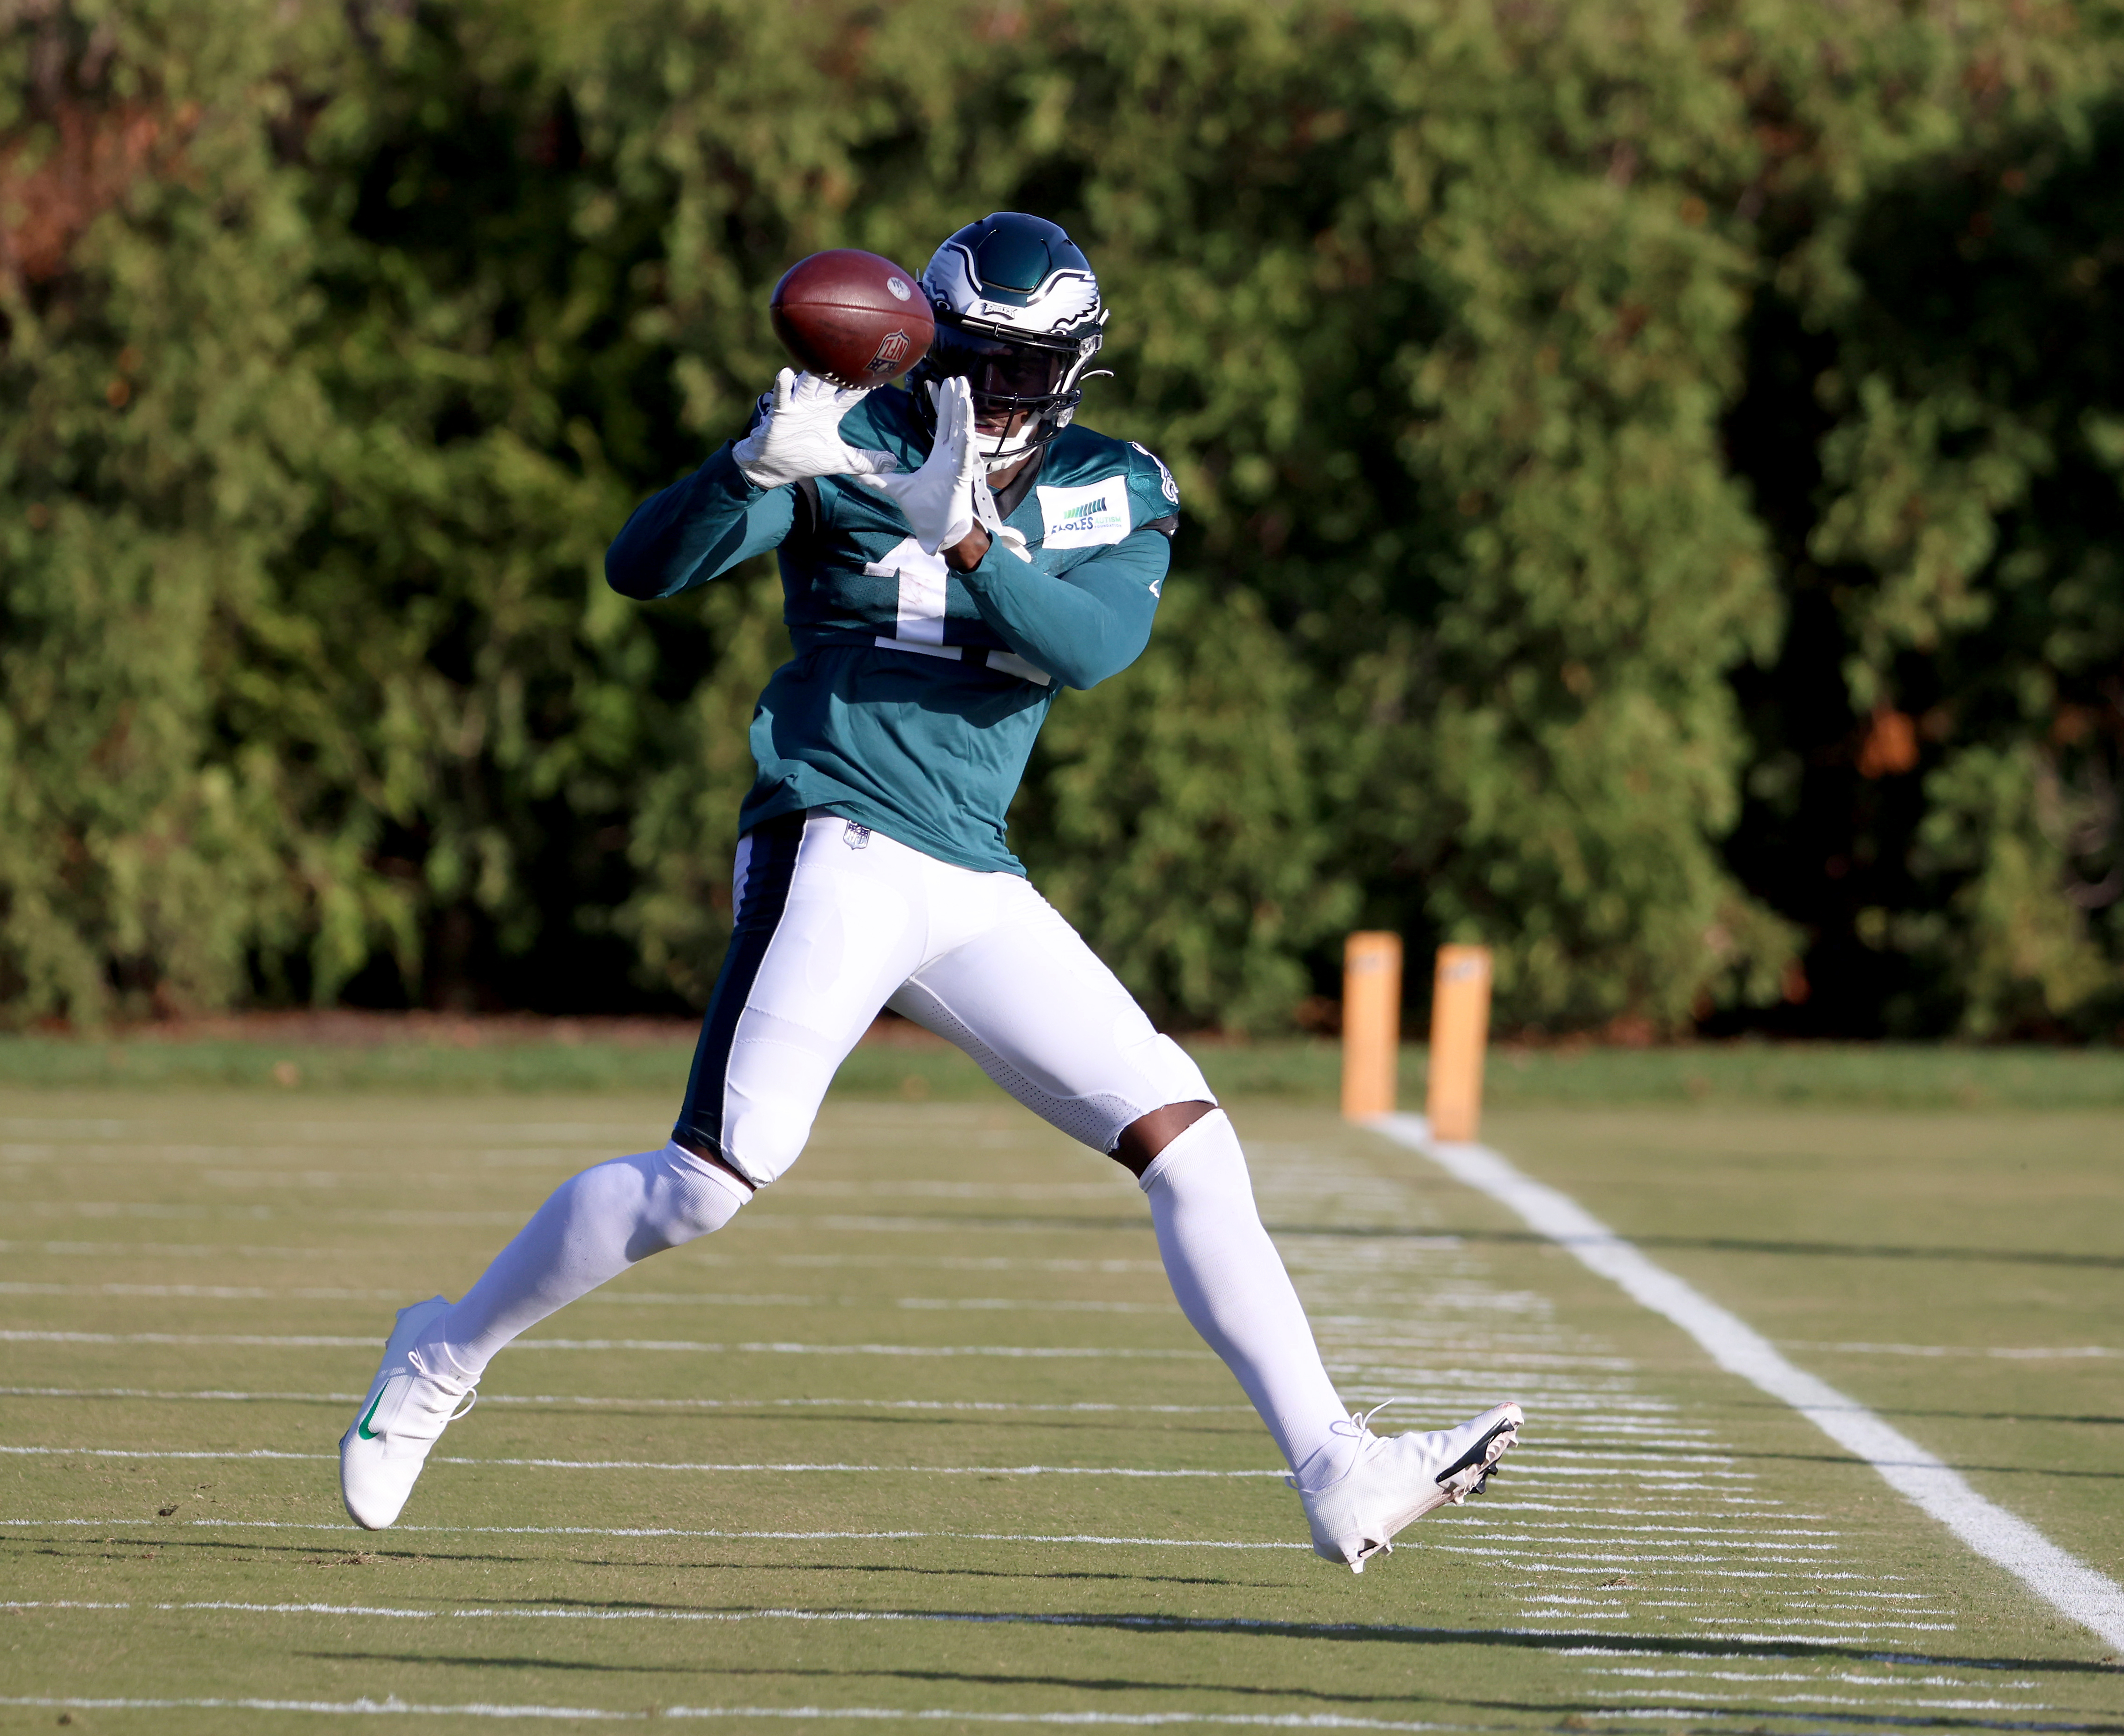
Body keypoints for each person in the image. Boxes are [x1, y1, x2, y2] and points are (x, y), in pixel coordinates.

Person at [337, 212, 1520, 1573]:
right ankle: (443, 1353)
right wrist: (744, 467)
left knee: (1188, 1138)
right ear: (927, 343)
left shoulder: (1113, 485)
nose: (998, 394)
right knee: (709, 1186)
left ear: (1074, 370)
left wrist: (968, 540)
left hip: (970, 870)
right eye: (977, 361)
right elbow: (640, 567)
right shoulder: (855, 431)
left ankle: (1334, 1465)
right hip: (833, 833)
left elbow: (1090, 645)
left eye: (1028, 370)